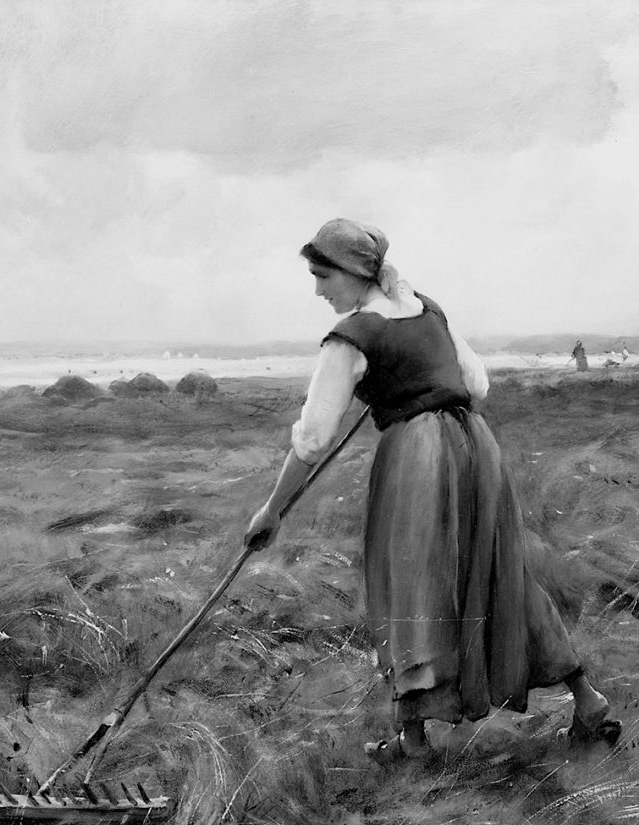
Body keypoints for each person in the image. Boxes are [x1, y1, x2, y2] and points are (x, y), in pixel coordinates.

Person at [245, 219, 616, 764]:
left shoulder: (351, 337)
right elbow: (478, 385)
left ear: (351, 273)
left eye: (322, 276)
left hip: (418, 458)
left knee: (410, 584)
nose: (318, 290)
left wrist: (272, 510)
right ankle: (588, 701)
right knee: (500, 574)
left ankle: (413, 742)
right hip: (474, 444)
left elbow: (313, 441)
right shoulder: (426, 308)